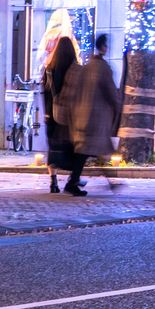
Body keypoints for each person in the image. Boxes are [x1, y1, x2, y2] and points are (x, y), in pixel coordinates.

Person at [65, 33, 122, 195]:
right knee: (93, 151)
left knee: (86, 152)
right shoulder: (103, 68)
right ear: (103, 47)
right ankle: (76, 182)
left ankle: (75, 181)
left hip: (81, 116)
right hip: (96, 119)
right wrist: (119, 107)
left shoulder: (86, 66)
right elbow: (111, 92)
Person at [41, 36, 79, 194]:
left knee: (54, 147)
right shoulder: (74, 69)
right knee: (72, 147)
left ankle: (53, 181)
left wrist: (47, 113)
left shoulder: (49, 69)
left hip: (52, 114)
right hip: (71, 116)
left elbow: (45, 92)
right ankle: (73, 179)